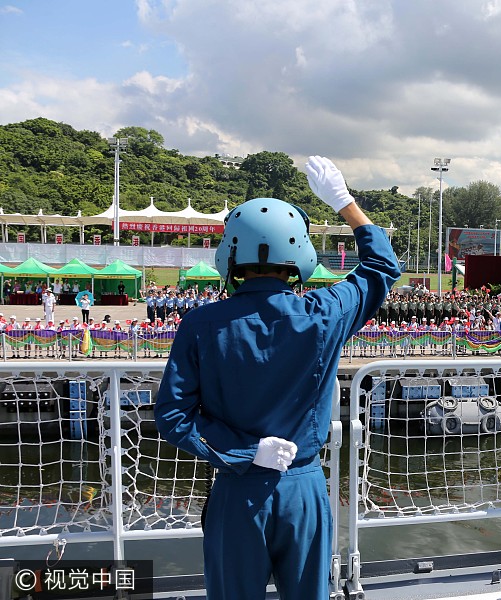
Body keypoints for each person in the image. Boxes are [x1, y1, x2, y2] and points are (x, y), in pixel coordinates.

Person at [154, 156, 400, 600]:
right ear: (300, 254)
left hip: (236, 488)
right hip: (303, 487)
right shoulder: (325, 313)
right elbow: (382, 266)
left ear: (229, 253)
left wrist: (246, 451)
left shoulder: (202, 324)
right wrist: (345, 203)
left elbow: (173, 417)